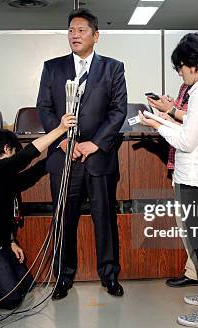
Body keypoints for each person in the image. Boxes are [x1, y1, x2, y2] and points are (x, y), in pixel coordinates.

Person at [140, 32, 198, 327]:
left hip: (197, 177)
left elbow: (186, 140)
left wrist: (156, 123)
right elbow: (192, 129)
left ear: (192, 63)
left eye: (180, 67)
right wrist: (164, 119)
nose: (180, 73)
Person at [36, 8, 128, 300]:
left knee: (105, 218)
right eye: (71, 31)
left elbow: (118, 111)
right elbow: (45, 107)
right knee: (64, 218)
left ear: (95, 35)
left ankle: (110, 276)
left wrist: (95, 144)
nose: (74, 35)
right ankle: (62, 276)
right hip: (63, 155)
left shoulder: (113, 68)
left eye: (81, 31)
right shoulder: (52, 67)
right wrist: (63, 139)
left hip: (98, 157)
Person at [0, 114, 76, 309]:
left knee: (26, 286)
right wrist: (60, 129)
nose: (15, 155)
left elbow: (32, 174)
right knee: (12, 299)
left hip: (2, 245)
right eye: (14, 152)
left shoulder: (3, 176)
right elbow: (27, 155)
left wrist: (59, 153)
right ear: (6, 149)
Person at [147, 68, 198, 292]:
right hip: (186, 165)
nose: (179, 73)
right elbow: (190, 120)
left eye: (180, 68)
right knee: (189, 227)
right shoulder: (193, 86)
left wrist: (161, 122)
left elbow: (191, 133)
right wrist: (170, 112)